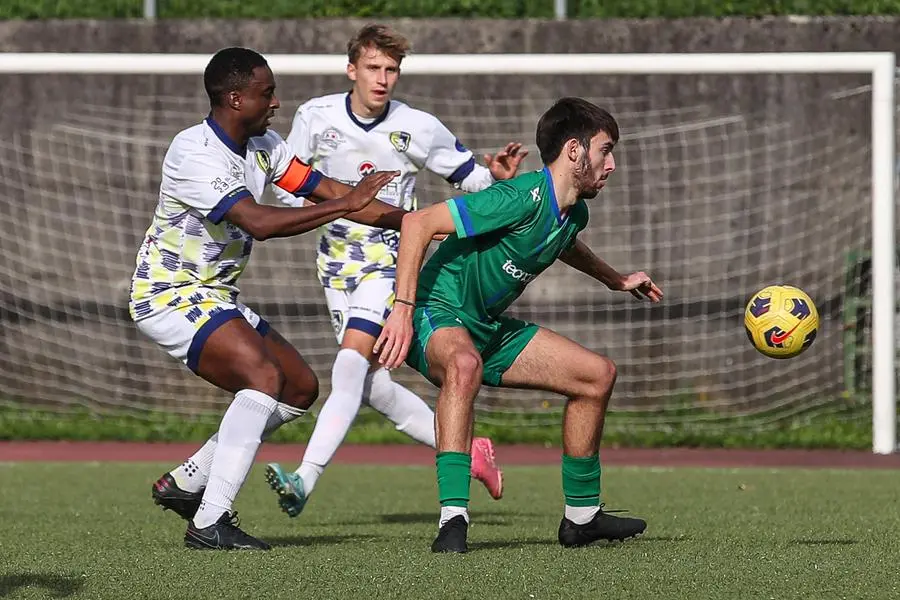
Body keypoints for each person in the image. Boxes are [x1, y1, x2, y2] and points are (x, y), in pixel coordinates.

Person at [133, 46, 404, 551]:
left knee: (299, 388)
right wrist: (348, 202)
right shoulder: (193, 150)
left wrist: (426, 224)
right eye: (266, 93)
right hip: (167, 295)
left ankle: (188, 482)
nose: (276, 102)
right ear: (235, 98)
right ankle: (210, 523)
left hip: (215, 295)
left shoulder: (266, 145)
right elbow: (257, 220)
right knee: (262, 379)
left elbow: (329, 190)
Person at [374, 97, 664, 553]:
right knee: (464, 365)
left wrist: (617, 279)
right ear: (575, 151)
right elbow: (417, 224)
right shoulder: (517, 197)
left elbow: (566, 243)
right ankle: (453, 520)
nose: (612, 164)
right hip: (436, 310)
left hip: (484, 326)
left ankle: (582, 518)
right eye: (605, 150)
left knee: (596, 376)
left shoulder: (573, 212)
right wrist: (403, 309)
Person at [264, 24, 526, 516]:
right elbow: (282, 188)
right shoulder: (314, 117)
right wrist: (331, 198)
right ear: (351, 70)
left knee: (347, 366)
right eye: (373, 68)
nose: (383, 78)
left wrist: (496, 177)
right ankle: (471, 451)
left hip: (390, 263)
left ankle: (303, 479)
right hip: (335, 267)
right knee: (370, 386)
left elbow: (470, 177)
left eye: (392, 70)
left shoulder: (419, 126)